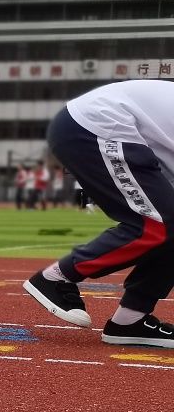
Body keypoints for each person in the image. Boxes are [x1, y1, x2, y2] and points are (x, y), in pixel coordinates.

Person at [22, 80, 174, 348]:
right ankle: (56, 278)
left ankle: (130, 321)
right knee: (156, 224)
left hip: (114, 128)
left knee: (167, 222)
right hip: (98, 124)